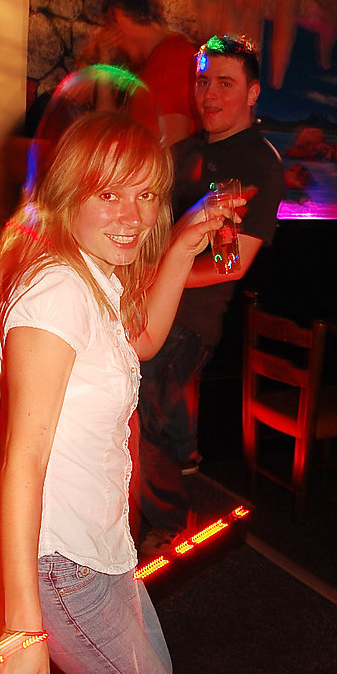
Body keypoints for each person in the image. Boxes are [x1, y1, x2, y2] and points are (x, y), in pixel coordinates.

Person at [0, 111, 239, 674]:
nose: (132, 215)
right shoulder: (56, 292)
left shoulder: (93, 270)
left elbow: (141, 342)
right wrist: (21, 629)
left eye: (146, 194)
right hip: (61, 562)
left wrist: (182, 245)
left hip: (102, 548)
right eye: (110, 194)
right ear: (69, 194)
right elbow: (22, 461)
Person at [137, 35, 285, 554]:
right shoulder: (184, 152)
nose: (210, 94)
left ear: (252, 93)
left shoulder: (258, 163)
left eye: (225, 82)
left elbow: (230, 264)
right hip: (149, 303)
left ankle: (169, 523)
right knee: (144, 409)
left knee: (144, 406)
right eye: (203, 81)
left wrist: (157, 275)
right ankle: (181, 460)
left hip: (190, 319)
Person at [83, 0, 199, 146]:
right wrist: (105, 62)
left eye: (109, 25)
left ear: (119, 22)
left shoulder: (173, 58)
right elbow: (107, 128)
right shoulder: (150, 65)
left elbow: (174, 146)